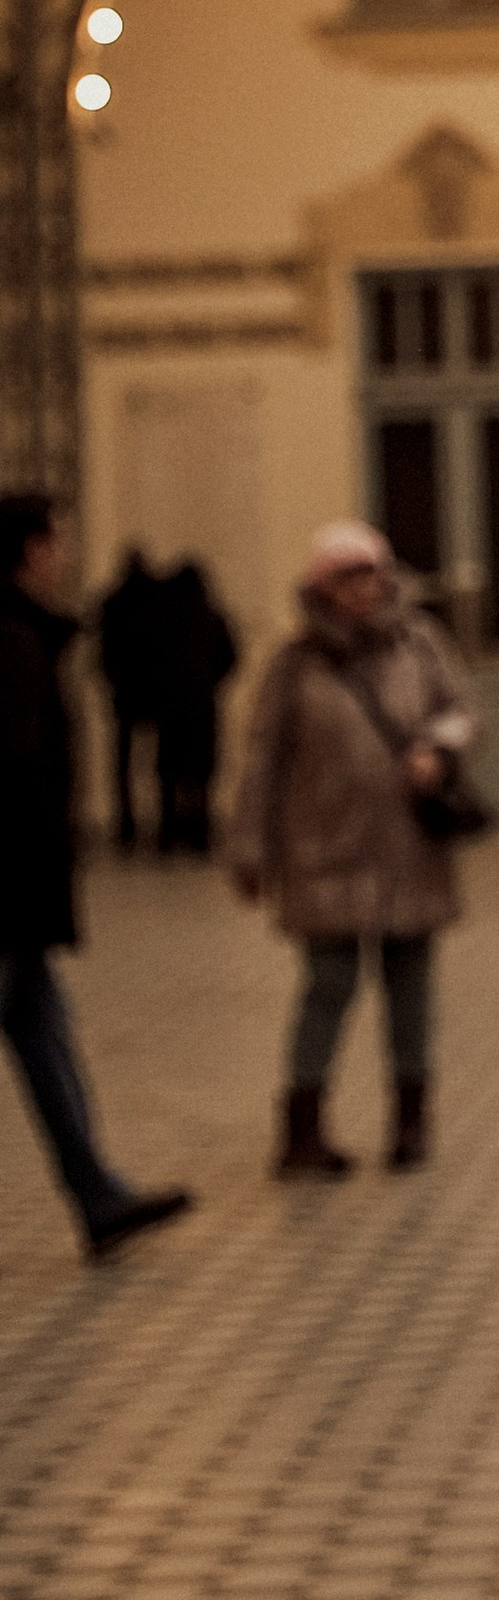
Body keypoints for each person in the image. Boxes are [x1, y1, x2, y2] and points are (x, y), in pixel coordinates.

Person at [226, 521, 477, 1175]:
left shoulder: (419, 641)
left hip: (408, 851)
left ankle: (411, 1120)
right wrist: (250, 849)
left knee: (411, 990)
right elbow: (264, 759)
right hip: (324, 852)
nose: (363, 588)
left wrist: (438, 748)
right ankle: (302, 1130)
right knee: (327, 988)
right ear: (322, 587)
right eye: (347, 577)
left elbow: (461, 707)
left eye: (371, 573)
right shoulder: (295, 660)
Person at [0, 492, 194, 1260]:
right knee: (39, 1026)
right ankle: (96, 1190)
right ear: (30, 549)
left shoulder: (25, 635)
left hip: (19, 889)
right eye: (58, 539)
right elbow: (14, 773)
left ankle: (97, 1191)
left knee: (44, 1031)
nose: (66, 553)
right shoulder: (11, 641)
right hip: (9, 888)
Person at [148, 559, 236, 856]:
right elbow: (229, 656)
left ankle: (169, 833)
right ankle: (199, 834)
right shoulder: (210, 617)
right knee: (200, 775)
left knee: (170, 776)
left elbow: (148, 659)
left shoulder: (161, 620)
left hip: (169, 707)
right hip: (200, 705)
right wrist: (210, 682)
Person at [94, 547, 165, 853]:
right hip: (155, 693)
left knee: (123, 765)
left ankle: (126, 825)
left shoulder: (114, 603)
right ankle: (160, 825)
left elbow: (105, 652)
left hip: (125, 692)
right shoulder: (159, 603)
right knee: (159, 765)